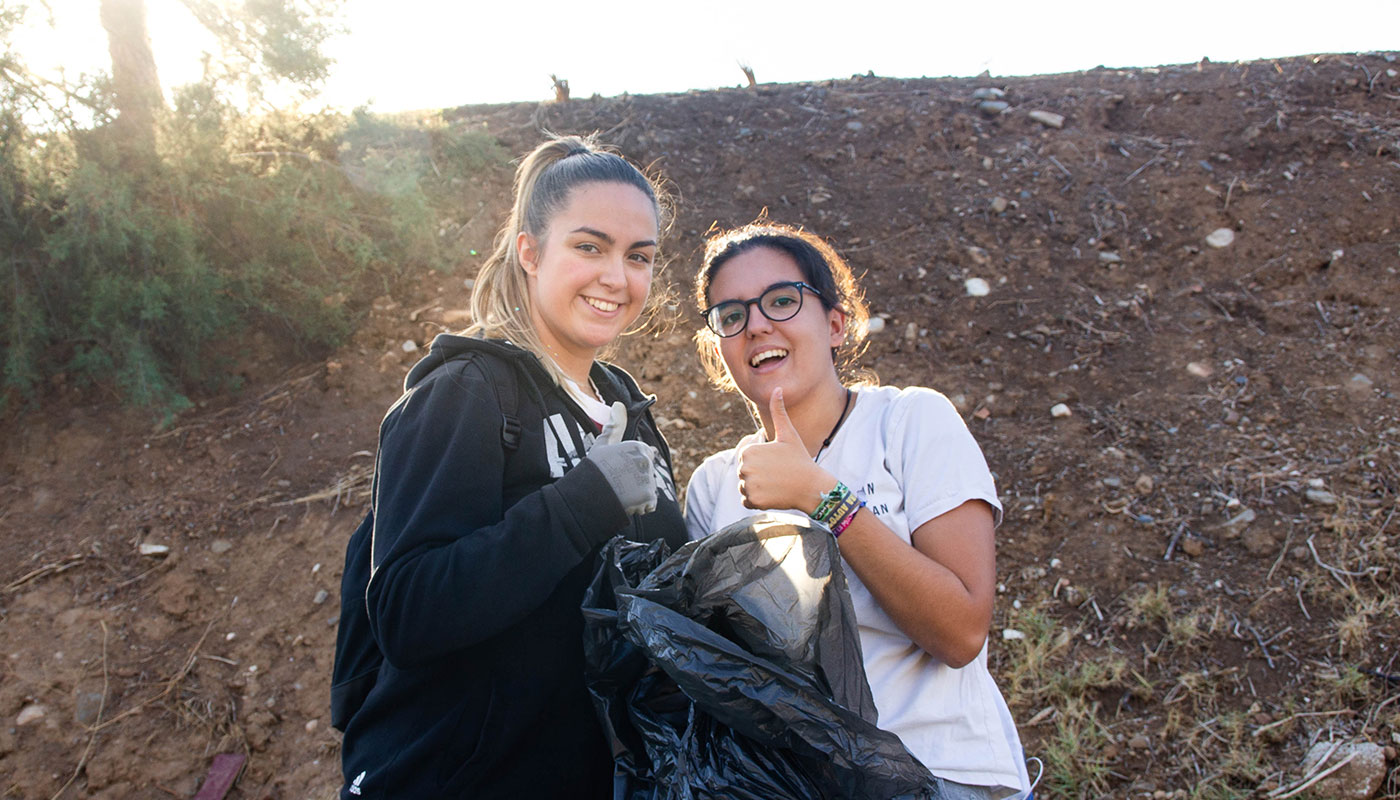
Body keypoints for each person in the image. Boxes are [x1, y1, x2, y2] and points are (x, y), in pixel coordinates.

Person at [337, 135, 689, 799]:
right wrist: (584, 502)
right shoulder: (465, 391)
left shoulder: (628, 407)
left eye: (638, 256)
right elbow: (406, 612)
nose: (618, 277)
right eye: (590, 247)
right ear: (530, 252)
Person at [683, 222, 1032, 800]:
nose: (758, 325)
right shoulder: (714, 486)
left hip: (936, 770)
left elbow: (961, 632)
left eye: (782, 300)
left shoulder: (909, 422)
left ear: (836, 324)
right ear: (719, 350)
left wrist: (822, 498)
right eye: (732, 315)